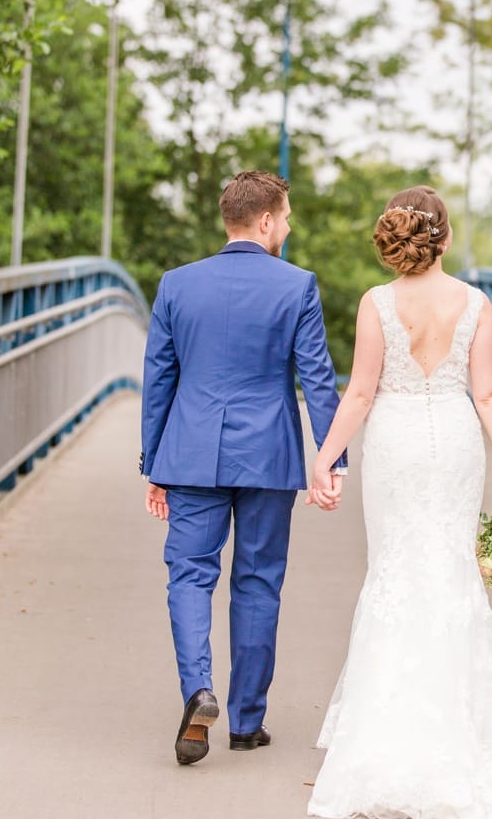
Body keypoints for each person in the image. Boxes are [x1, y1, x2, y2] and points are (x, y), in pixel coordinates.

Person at [305, 186, 492, 819]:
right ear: (445, 238)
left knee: (394, 573)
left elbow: (362, 391)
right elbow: (486, 391)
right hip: (454, 445)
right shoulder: (476, 304)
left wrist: (326, 456)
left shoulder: (377, 303)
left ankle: (388, 736)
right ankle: (467, 737)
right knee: (450, 575)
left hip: (395, 446)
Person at [140, 170, 346, 766]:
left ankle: (198, 691)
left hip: (192, 452)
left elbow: (159, 380)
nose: (287, 227)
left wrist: (154, 463)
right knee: (258, 581)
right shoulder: (297, 286)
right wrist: (330, 459)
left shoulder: (177, 285)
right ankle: (247, 721)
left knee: (190, 575)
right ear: (264, 221)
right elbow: (317, 376)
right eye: (284, 218)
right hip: (269, 457)